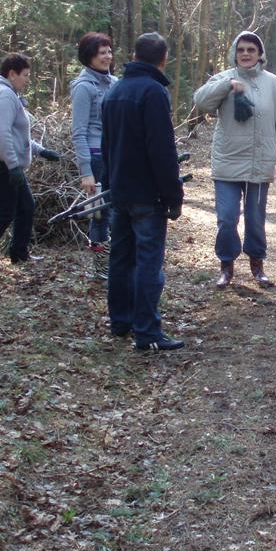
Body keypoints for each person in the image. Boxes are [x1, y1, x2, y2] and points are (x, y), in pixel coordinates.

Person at [100, 32, 185, 352]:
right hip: (146, 197)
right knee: (148, 262)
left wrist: (109, 187)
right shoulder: (153, 93)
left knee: (120, 259)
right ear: (163, 59)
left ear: (134, 56)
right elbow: (161, 151)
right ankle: (147, 331)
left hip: (120, 192)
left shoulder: (115, 90)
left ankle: (120, 321)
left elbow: (106, 148)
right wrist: (173, 196)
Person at [194, 30, 276, 289]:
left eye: (251, 49)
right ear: (234, 54)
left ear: (260, 54)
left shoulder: (272, 83)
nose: (246, 54)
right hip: (227, 162)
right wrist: (226, 85)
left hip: (259, 164)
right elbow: (201, 102)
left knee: (255, 218)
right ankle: (226, 266)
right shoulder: (224, 78)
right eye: (241, 50)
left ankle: (257, 264)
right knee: (227, 218)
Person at [0, 53, 61, 276]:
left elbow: (18, 136)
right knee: (5, 213)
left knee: (26, 206)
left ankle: (19, 252)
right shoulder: (4, 96)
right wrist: (13, 167)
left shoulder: (7, 93)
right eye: (25, 75)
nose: (27, 80)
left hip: (4, 161)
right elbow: (1, 135)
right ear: (12, 74)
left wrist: (41, 151)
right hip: (0, 162)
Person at [70, 32, 117, 272]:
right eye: (102, 53)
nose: (107, 56)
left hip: (115, 155)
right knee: (99, 214)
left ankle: (115, 263)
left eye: (109, 51)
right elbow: (78, 132)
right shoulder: (83, 87)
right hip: (95, 156)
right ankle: (100, 268)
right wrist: (85, 171)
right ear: (89, 56)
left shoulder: (115, 82)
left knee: (115, 210)